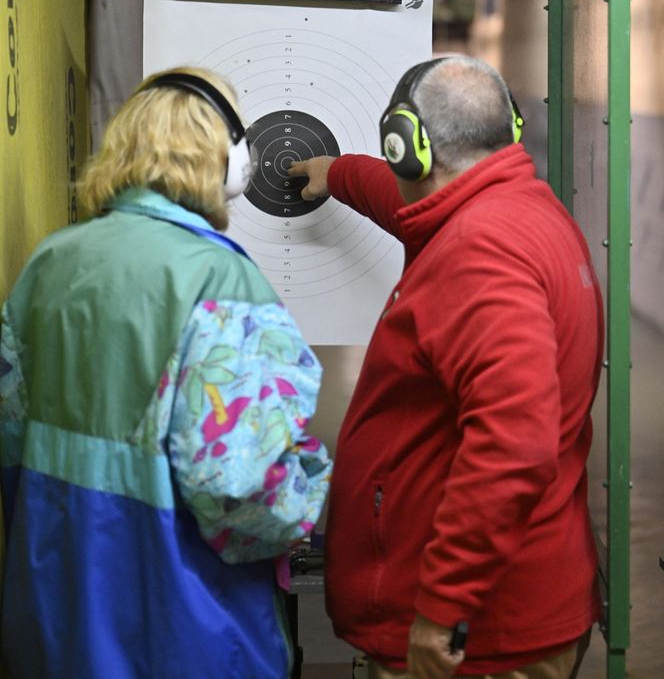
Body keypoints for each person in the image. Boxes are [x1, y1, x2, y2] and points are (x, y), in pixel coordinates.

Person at [0, 66, 331, 679]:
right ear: (227, 159)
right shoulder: (219, 280)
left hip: (53, 611)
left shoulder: (49, 262)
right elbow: (241, 494)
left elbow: (13, 443)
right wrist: (310, 492)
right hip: (180, 625)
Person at [289, 55, 603, 679]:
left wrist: (442, 608)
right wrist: (340, 172)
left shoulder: (480, 251)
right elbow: (412, 205)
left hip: (478, 635)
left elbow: (513, 442)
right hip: (511, 606)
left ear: (406, 145)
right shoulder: (515, 210)